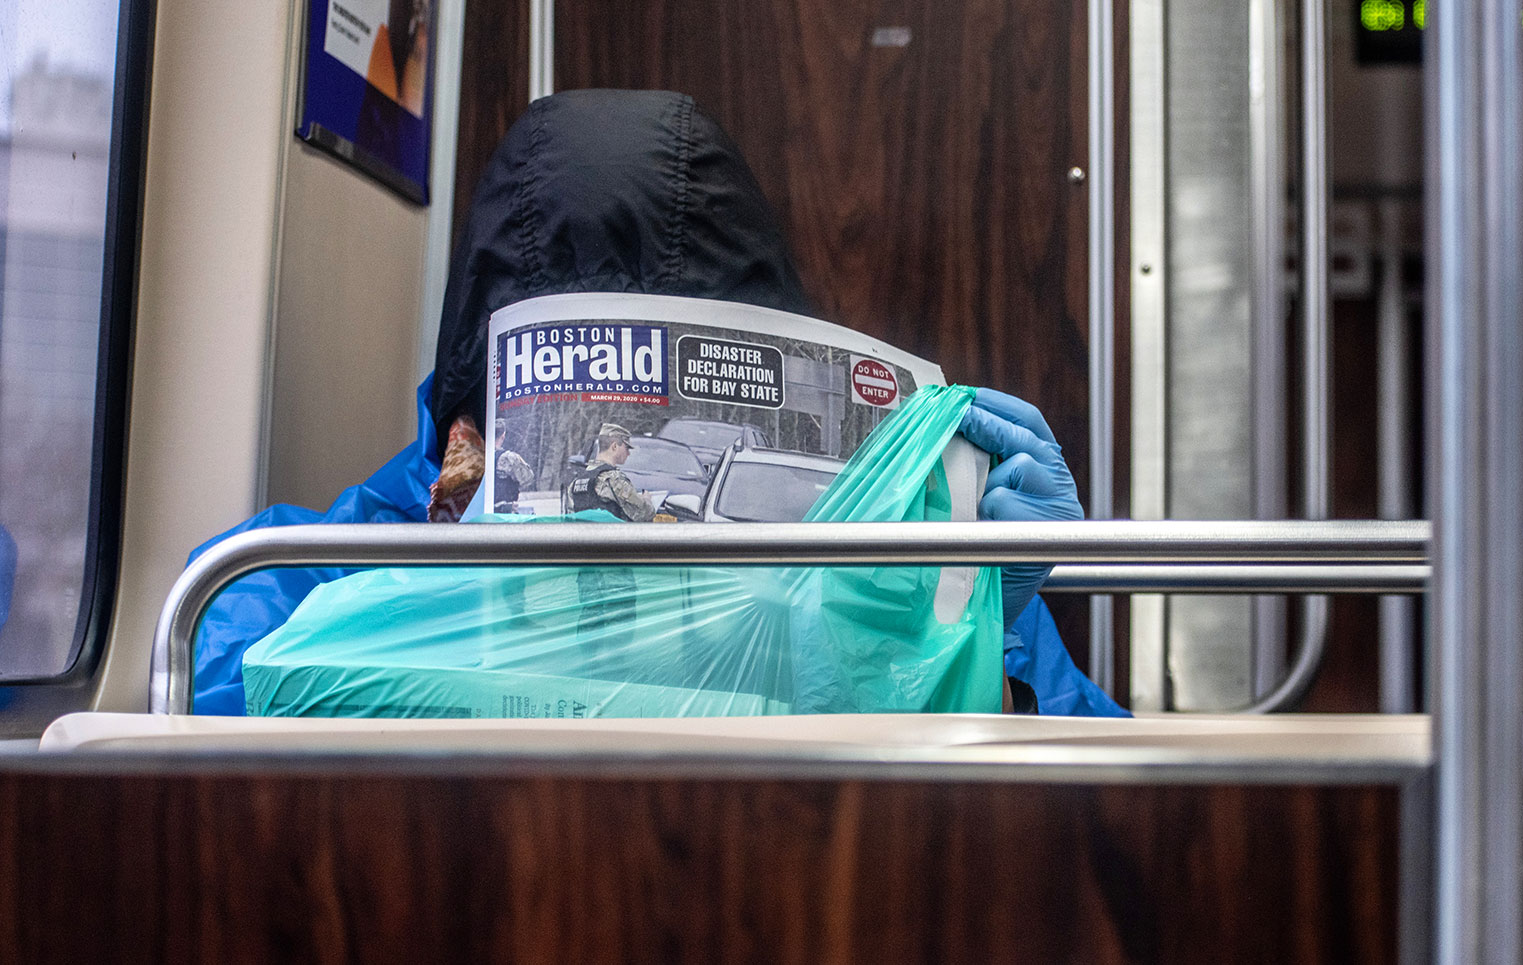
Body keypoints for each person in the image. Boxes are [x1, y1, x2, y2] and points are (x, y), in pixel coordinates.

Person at [189, 89, 1123, 718]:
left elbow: (1084, 830)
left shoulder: (906, 573)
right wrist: (455, 576)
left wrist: (979, 620)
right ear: (473, 408)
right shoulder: (278, 571)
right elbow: (206, 728)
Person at [566, 423, 655, 522]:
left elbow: (571, 521)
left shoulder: (576, 483)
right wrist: (647, 500)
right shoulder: (613, 479)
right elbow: (644, 513)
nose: (628, 453)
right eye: (626, 448)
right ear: (614, 447)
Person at [492, 419, 537, 514]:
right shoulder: (509, 458)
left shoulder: (475, 456)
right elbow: (528, 478)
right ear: (503, 436)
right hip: (504, 514)